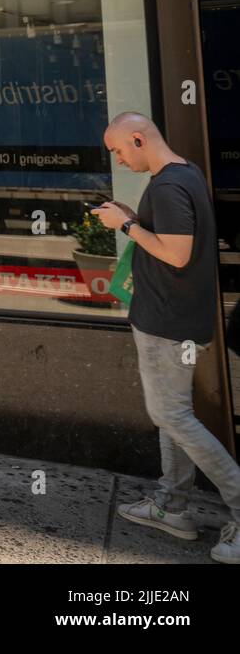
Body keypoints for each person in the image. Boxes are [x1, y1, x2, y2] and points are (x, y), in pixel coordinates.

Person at [98, 112, 239, 564]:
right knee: (171, 414)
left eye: (120, 150)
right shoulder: (186, 173)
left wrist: (124, 226)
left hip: (167, 323)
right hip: (174, 319)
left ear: (138, 138)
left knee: (172, 416)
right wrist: (133, 218)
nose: (119, 160)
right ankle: (171, 506)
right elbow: (179, 239)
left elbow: (177, 253)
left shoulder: (167, 185)